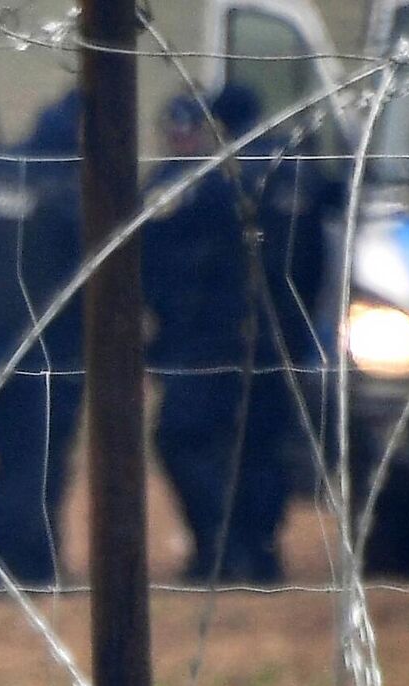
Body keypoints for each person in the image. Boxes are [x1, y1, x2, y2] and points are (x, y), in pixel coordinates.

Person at [144, 83, 328, 583]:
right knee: (258, 443)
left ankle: (223, 547)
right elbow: (319, 256)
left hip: (205, 335)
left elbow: (153, 255)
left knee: (185, 437)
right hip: (278, 334)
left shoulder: (199, 181)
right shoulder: (290, 170)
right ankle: (256, 550)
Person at [0, 86, 85, 586]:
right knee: (41, 456)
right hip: (52, 349)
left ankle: (7, 558)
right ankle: (24, 562)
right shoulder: (69, 188)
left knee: (11, 452)